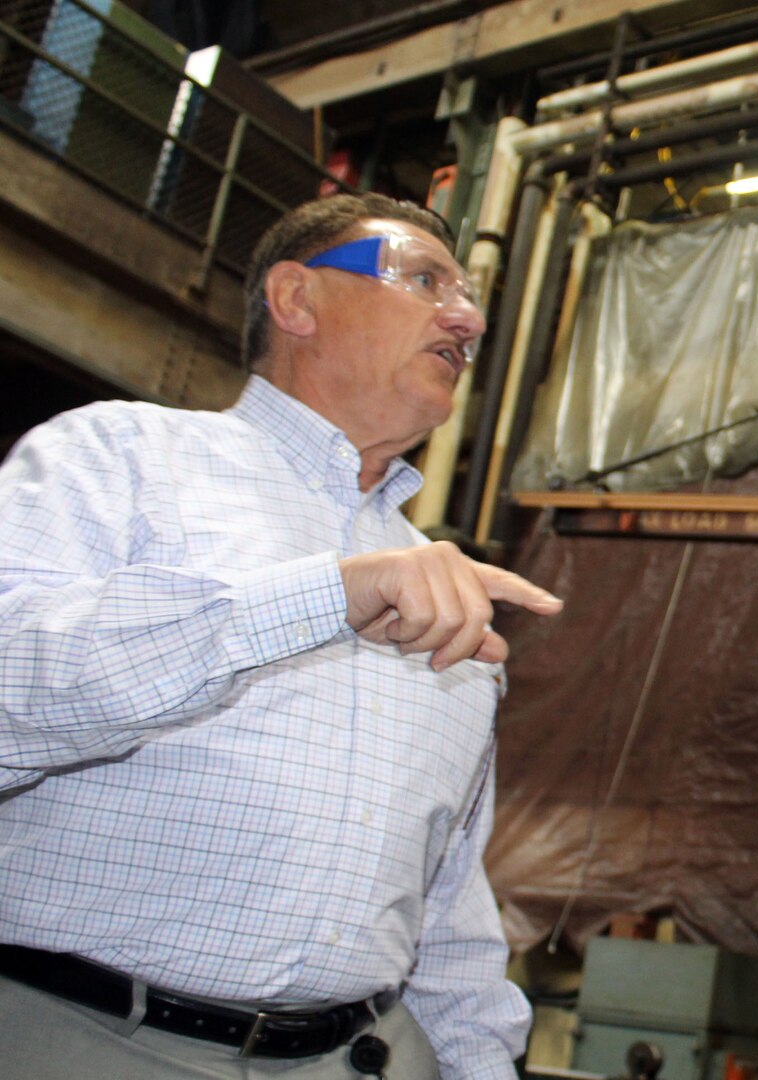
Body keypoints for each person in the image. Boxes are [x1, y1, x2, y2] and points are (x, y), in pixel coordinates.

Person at [0, 192, 563, 1079]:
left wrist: (481, 1064)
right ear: (295, 299)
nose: (469, 315)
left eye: (466, 294)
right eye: (422, 278)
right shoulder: (117, 459)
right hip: (83, 1038)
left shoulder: (450, 589)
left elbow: (446, 901)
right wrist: (319, 599)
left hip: (355, 1056)